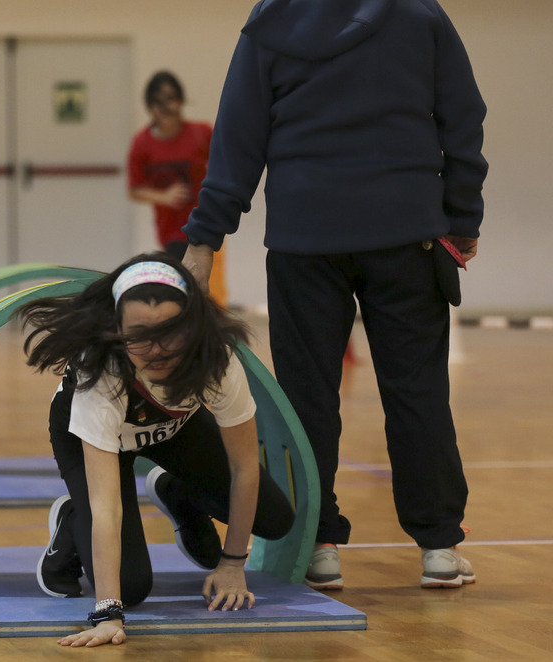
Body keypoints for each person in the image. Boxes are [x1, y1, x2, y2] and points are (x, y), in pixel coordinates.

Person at [181, 0, 487, 590]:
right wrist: (463, 215)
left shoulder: (271, 19)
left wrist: (204, 236)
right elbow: (463, 117)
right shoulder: (421, 16)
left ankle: (317, 545)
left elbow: (240, 132)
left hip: (304, 237)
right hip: (406, 235)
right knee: (417, 390)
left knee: (306, 398)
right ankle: (440, 547)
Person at [19, 253, 294, 648]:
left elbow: (244, 467)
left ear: (192, 326)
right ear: (117, 330)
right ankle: (70, 519)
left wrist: (233, 564)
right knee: (129, 587)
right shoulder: (101, 371)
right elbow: (107, 507)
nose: (156, 348)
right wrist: (108, 613)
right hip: (96, 441)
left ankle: (175, 490)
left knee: (275, 517)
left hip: (172, 428)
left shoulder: (216, 356)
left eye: (169, 332)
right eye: (139, 334)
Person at [127, 71, 228, 306]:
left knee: (213, 295)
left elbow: (224, 163)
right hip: (171, 230)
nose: (166, 107)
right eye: (157, 102)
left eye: (171, 98)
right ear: (149, 107)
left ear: (181, 101)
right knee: (181, 292)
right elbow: (135, 189)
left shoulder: (201, 133)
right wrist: (163, 196)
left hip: (207, 224)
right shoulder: (142, 144)